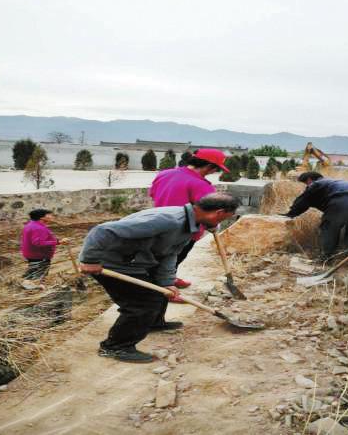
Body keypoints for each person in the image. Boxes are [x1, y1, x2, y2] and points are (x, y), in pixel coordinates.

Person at [78, 193, 240, 363]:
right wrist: (90, 260)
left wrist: (167, 283)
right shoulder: (168, 220)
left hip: (133, 260)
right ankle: (115, 347)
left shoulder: (188, 223)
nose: (219, 224)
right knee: (142, 304)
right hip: (110, 263)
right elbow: (102, 230)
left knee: (161, 291)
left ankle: (153, 323)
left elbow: (170, 253)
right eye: (223, 219)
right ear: (218, 213)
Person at [149, 149, 229, 291]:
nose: (214, 172)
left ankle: (169, 278)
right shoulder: (202, 185)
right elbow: (209, 213)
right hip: (184, 231)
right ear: (209, 166)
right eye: (216, 169)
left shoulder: (165, 174)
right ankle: (162, 289)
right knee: (173, 259)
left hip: (157, 224)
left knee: (158, 259)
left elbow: (153, 194)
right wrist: (212, 225)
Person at [284, 172, 348, 261]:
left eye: (305, 183)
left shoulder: (318, 183)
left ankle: (326, 258)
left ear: (309, 180)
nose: (306, 186)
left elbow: (304, 199)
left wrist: (291, 214)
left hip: (343, 202)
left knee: (329, 229)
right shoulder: (337, 183)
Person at [20, 209, 69, 289]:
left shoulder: (32, 225)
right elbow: (38, 243)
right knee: (40, 273)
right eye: (49, 215)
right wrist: (58, 242)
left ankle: (27, 282)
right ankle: (35, 288)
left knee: (34, 269)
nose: (51, 216)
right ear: (42, 217)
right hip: (39, 255)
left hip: (32, 253)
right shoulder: (38, 228)